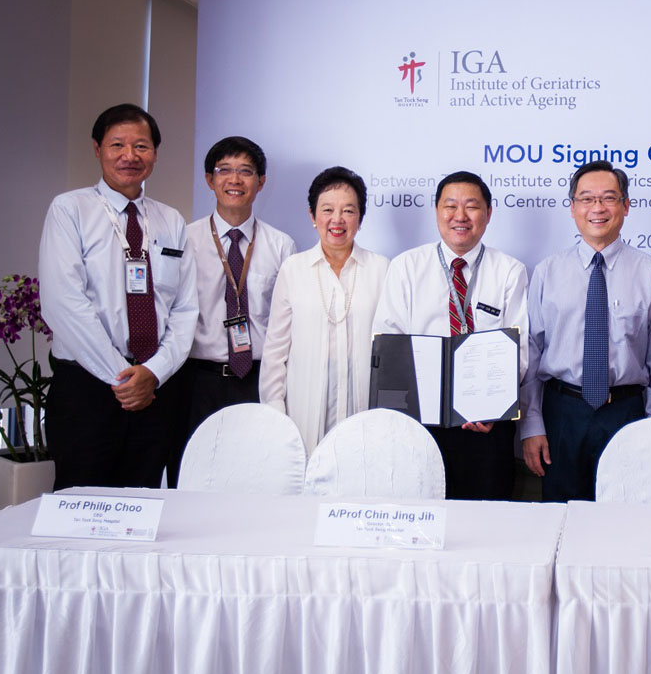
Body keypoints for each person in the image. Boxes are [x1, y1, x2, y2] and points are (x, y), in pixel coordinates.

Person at [39, 103, 197, 490]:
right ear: (97, 149)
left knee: (142, 505)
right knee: (80, 506)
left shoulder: (171, 220)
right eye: (117, 145)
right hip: (88, 388)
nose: (130, 155)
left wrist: (153, 373)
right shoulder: (70, 210)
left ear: (155, 153)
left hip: (154, 389)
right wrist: (122, 378)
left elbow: (184, 310)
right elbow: (64, 304)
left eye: (141, 146)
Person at [521, 160, 651, 502]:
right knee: (560, 515)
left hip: (627, 411)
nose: (598, 208)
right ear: (573, 207)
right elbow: (531, 353)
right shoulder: (547, 272)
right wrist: (532, 425)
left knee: (623, 513)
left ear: (626, 205)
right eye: (587, 199)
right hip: (562, 413)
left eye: (608, 198)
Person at [373, 171, 529, 500]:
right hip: (420, 424)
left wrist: (490, 405)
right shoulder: (406, 267)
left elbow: (520, 350)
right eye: (450, 206)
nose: (460, 216)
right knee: (421, 514)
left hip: (487, 426)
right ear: (436, 211)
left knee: (486, 519)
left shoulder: (509, 271)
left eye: (471, 206)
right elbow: (389, 344)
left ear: (488, 213)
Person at [172, 137, 295, 480]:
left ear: (261, 182)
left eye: (246, 171)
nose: (235, 180)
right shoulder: (185, 240)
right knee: (193, 475)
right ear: (209, 180)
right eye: (224, 170)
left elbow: (286, 324)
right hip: (197, 381)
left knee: (254, 476)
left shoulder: (281, 245)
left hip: (256, 380)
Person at [260, 167, 389, 451]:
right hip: (304, 413)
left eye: (348, 211)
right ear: (312, 215)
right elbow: (275, 352)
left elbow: (392, 351)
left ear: (360, 218)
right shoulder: (294, 269)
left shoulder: (381, 269)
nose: (337, 219)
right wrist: (276, 416)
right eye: (327, 209)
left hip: (363, 410)